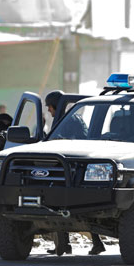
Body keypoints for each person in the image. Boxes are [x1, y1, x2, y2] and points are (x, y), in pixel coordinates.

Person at [44, 90, 104, 256]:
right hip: (66, 169)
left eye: (50, 107)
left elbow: (82, 139)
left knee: (66, 207)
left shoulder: (70, 120)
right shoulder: (65, 119)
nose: (49, 110)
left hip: (73, 169)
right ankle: (65, 245)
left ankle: (64, 245)